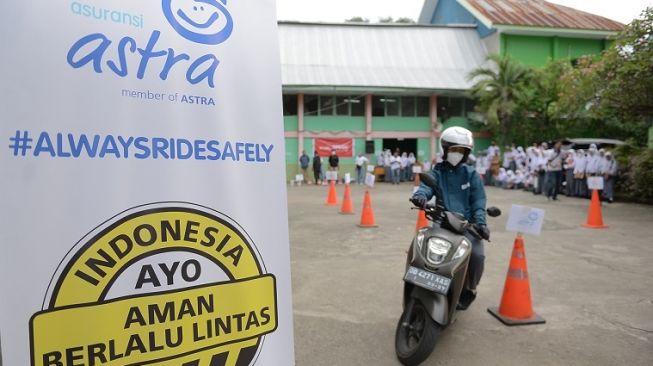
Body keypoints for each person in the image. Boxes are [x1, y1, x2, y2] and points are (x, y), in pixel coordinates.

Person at [411, 126, 489, 310]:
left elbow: (478, 200)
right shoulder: (437, 172)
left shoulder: (471, 174)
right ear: (445, 150)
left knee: (478, 255)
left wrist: (481, 223)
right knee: (423, 249)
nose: (457, 154)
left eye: (461, 151)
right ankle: (421, 284)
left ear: (466, 153)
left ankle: (470, 288)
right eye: (454, 149)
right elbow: (426, 186)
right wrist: (421, 196)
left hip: (468, 226)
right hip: (442, 222)